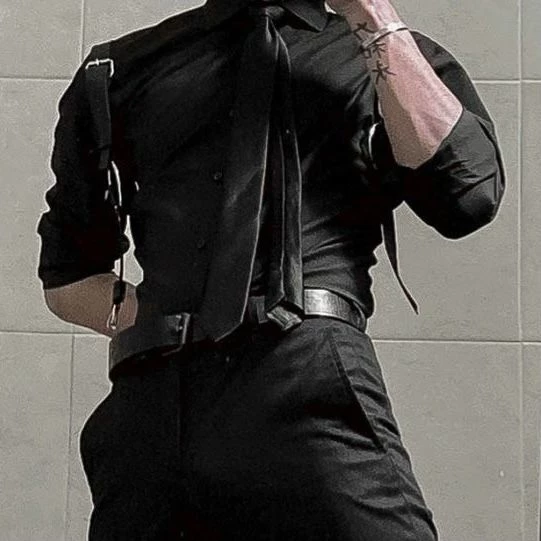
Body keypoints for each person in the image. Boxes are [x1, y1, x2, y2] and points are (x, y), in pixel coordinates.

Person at [36, 0, 505, 539]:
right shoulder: (118, 68)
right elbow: (65, 275)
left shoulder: (389, 57)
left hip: (305, 373)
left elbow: (468, 194)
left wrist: (373, 16)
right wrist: (161, 320)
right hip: (152, 412)